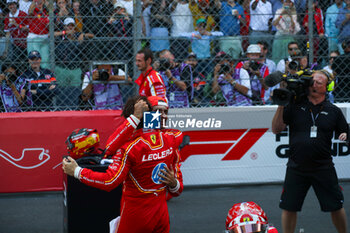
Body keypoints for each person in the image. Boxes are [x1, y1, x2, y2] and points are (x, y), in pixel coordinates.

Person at [62, 96, 184, 233]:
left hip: (136, 214)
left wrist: (77, 171)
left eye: (165, 112)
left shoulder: (129, 148)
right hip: (161, 214)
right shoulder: (173, 139)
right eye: (158, 112)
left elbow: (109, 176)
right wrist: (174, 184)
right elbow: (178, 190)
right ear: (152, 116)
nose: (163, 117)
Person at [271, 70, 348, 233]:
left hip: (324, 167)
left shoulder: (333, 111)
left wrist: (345, 134)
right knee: (289, 207)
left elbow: (346, 132)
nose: (314, 84)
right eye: (313, 81)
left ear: (327, 87)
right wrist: (281, 103)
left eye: (319, 82)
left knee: (336, 206)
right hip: (296, 167)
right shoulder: (294, 105)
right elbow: (276, 129)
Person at [54, 17, 94, 110]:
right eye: (68, 26)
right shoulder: (61, 36)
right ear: (64, 27)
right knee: (62, 90)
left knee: (75, 91)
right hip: (62, 68)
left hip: (75, 68)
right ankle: (61, 110)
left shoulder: (78, 35)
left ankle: (74, 109)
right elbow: (50, 35)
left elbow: (92, 35)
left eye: (72, 26)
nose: (70, 28)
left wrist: (83, 34)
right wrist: (65, 33)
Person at [271, 0, 300, 65]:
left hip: (289, 36)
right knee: (278, 55)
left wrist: (290, 16)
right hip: (279, 36)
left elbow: (293, 27)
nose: (287, 3)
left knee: (289, 55)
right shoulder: (279, 11)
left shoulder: (294, 13)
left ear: (292, 4)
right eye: (286, 2)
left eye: (289, 2)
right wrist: (281, 15)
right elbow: (274, 23)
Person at [4, 0, 30, 71]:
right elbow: (8, 33)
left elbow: (29, 29)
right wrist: (6, 49)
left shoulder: (23, 14)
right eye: (9, 5)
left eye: (13, 4)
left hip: (26, 43)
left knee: (26, 63)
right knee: (15, 63)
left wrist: (17, 25)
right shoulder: (7, 17)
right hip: (16, 44)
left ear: (16, 5)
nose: (11, 6)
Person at [27, 0, 50, 68]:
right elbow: (30, 11)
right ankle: (34, 77)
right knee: (34, 60)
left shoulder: (46, 11)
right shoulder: (34, 10)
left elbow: (52, 9)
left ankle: (45, 77)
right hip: (34, 38)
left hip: (44, 38)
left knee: (45, 60)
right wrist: (35, 1)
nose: (39, 1)